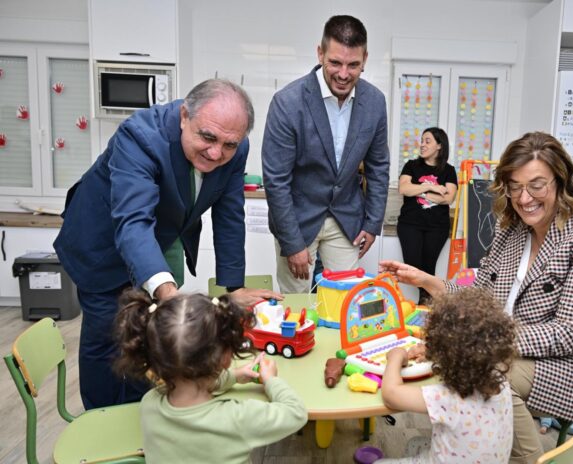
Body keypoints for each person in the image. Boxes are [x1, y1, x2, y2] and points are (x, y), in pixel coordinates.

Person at [380, 131, 573, 464]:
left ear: (561, 182)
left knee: (488, 370)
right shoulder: (512, 231)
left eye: (536, 185)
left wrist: (477, 344)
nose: (524, 198)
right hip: (527, 354)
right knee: (472, 363)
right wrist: (428, 281)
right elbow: (478, 296)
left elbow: (571, 334)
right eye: (515, 187)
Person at [53, 79, 282, 410]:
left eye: (229, 144)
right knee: (106, 338)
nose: (217, 153)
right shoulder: (140, 136)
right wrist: (169, 295)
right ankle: (102, 419)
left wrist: (233, 290)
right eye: (208, 138)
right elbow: (133, 221)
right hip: (100, 243)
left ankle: (144, 413)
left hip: (154, 240)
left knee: (148, 336)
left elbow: (229, 214)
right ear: (184, 116)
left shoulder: (236, 148)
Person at [262, 15, 390, 293]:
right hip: (298, 218)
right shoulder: (288, 102)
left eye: (353, 65)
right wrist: (291, 243)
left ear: (365, 59)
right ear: (320, 54)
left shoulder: (375, 102)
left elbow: (378, 167)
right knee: (296, 301)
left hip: (346, 219)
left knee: (345, 299)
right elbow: (276, 180)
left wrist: (372, 223)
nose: (343, 74)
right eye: (335, 63)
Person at [113, 290, 308, 463]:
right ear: (225, 357)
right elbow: (296, 412)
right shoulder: (237, 418)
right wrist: (271, 380)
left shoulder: (149, 405)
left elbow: (189, 382)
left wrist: (235, 376)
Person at [378, 289, 516, 463]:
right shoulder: (502, 384)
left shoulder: (446, 398)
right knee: (415, 443)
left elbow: (390, 394)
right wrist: (437, 352)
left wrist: (395, 357)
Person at [396, 127, 457, 304]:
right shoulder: (411, 166)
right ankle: (429, 301)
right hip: (410, 224)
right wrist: (430, 187)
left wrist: (419, 192)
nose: (422, 144)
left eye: (427, 141)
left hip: (437, 227)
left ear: (439, 145)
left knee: (428, 268)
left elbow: (448, 198)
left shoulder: (449, 170)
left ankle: (425, 304)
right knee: (412, 266)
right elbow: (404, 189)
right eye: (421, 141)